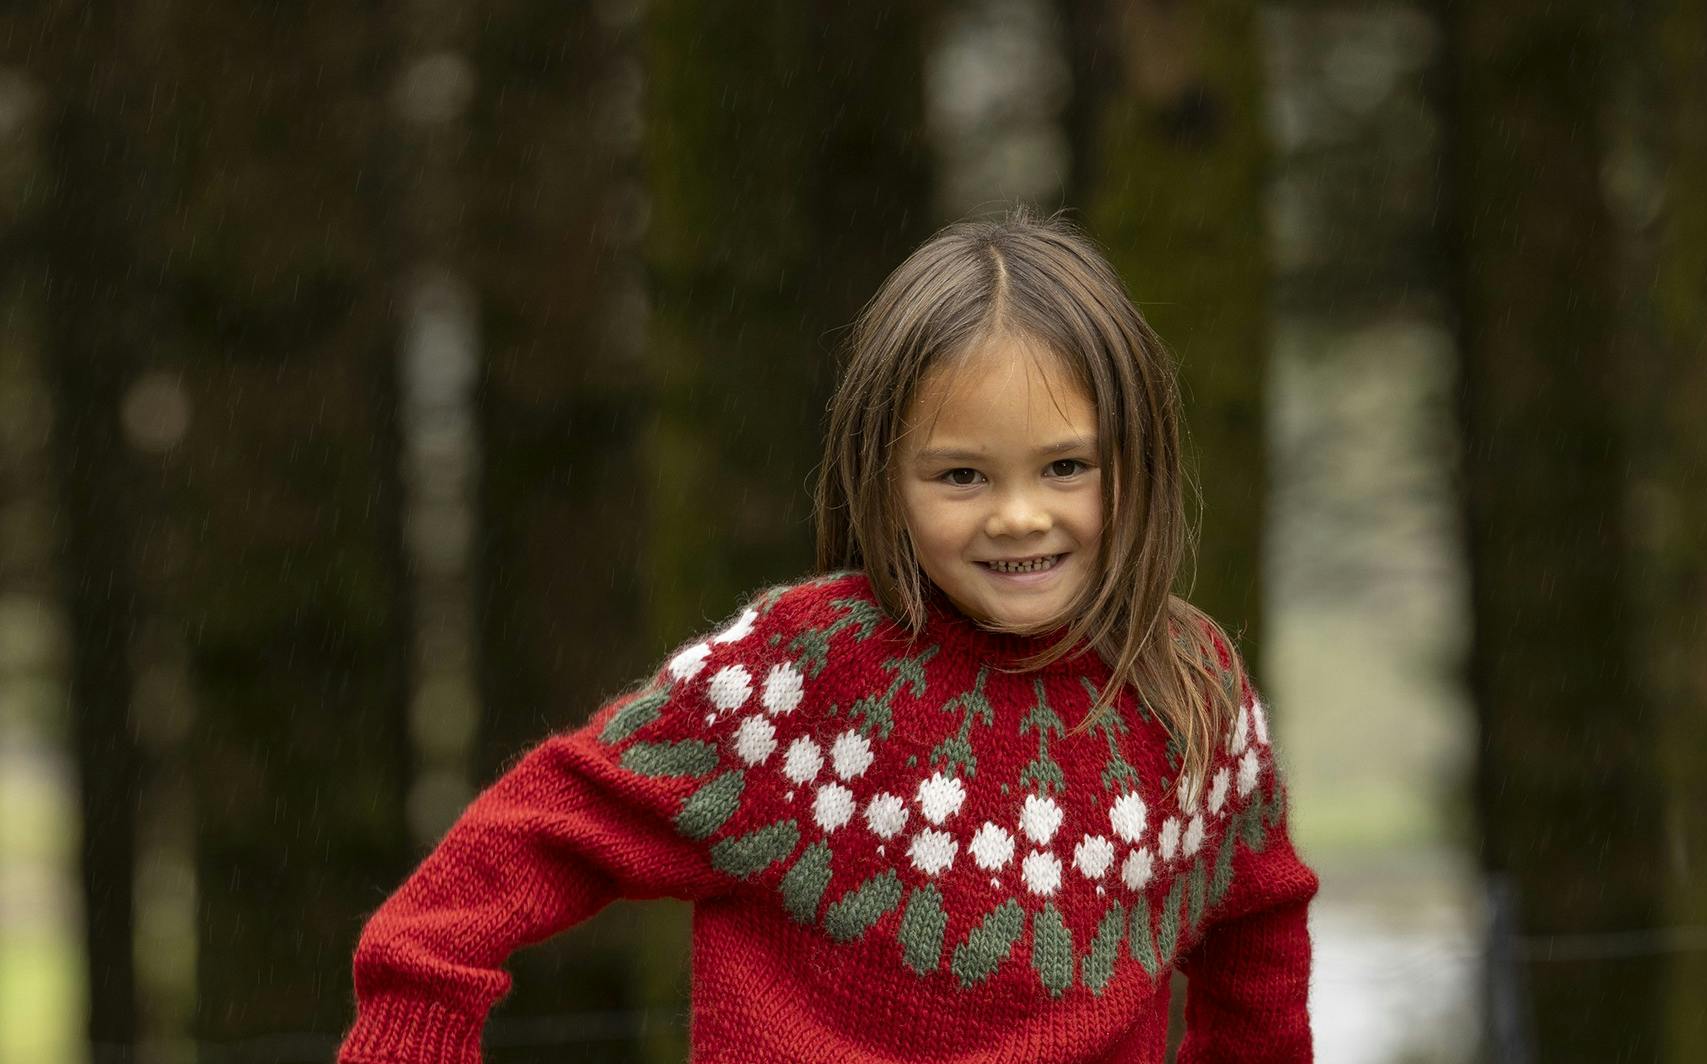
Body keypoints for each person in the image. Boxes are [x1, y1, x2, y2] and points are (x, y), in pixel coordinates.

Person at [339, 208, 1318, 1064]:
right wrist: (417, 1004)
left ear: (1139, 460)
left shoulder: (1188, 687)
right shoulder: (802, 675)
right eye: (962, 476)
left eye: (1066, 466)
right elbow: (547, 824)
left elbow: (1259, 943)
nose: (1019, 516)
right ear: (882, 477)